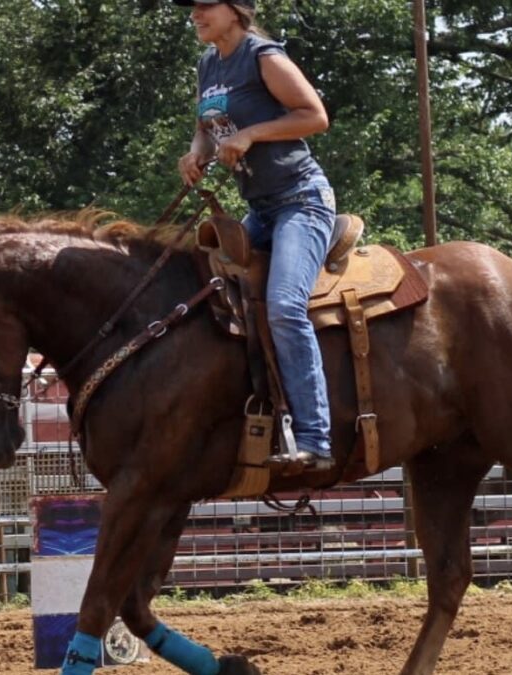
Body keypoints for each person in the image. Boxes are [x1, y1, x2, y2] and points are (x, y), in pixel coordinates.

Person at [176, 0, 336, 470]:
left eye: (206, 5)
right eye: (193, 8)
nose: (195, 14)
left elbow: (315, 116)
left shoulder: (263, 55)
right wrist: (196, 153)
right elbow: (207, 128)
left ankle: (315, 439)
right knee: (207, 297)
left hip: (301, 200)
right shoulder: (208, 64)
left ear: (236, 9)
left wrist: (252, 135)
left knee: (285, 306)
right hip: (260, 210)